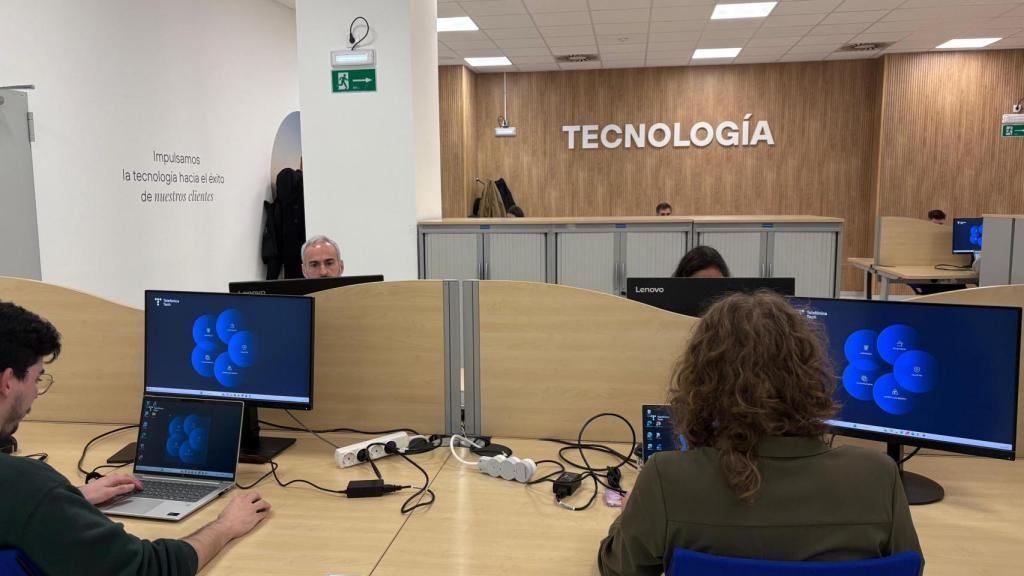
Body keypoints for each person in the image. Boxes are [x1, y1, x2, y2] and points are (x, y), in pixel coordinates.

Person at [597, 292, 921, 575]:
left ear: (702, 384)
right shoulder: (878, 478)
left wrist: (630, 516)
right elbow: (910, 568)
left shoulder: (666, 480)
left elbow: (618, 569)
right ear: (809, 376)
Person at [0, 301, 272, 575]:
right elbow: (151, 568)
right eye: (37, 379)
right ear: (8, 381)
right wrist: (225, 525)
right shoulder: (26, 486)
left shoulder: (29, 496)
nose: (36, 392)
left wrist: (70, 501)